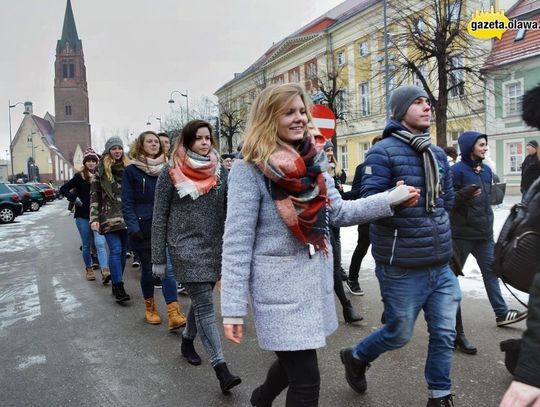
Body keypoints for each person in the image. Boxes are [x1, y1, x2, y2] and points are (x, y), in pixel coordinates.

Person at [220, 83, 418, 406]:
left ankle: (260, 399)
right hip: (278, 292)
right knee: (307, 381)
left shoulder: (315, 162)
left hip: (312, 287)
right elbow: (237, 244)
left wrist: (390, 201)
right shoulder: (249, 170)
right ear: (269, 117)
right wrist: (232, 308)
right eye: (289, 112)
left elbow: (338, 211)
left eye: (302, 111)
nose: (299, 118)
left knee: (291, 367)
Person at [340, 85, 459, 407]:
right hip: (401, 265)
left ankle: (439, 395)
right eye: (417, 102)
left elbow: (445, 200)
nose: (426, 106)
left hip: (440, 263)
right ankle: (356, 357)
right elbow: (367, 203)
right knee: (399, 333)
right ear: (400, 110)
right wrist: (395, 202)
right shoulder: (382, 152)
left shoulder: (435, 154)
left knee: (445, 334)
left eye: (426, 101)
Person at [151, 119, 241, 394]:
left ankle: (188, 339)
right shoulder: (171, 172)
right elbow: (159, 216)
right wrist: (158, 257)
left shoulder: (219, 171)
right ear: (188, 141)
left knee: (201, 299)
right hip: (184, 246)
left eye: (208, 138)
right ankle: (221, 368)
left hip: (213, 245)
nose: (205, 142)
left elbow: (228, 208)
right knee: (204, 304)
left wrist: (232, 244)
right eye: (199, 138)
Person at [450, 132, 527, 353]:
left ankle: (501, 313)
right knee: (450, 281)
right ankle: (453, 329)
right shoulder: (456, 171)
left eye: (486, 145)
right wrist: (462, 195)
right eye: (481, 145)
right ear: (469, 147)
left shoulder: (485, 170)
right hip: (461, 236)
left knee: (492, 271)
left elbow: (488, 199)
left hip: (483, 235)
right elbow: (446, 200)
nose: (485, 148)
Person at [121, 131, 186, 329]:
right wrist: (133, 227)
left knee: (167, 270)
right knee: (149, 271)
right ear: (141, 145)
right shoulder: (131, 171)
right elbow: (127, 203)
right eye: (149, 141)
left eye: (156, 141)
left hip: (167, 225)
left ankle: (173, 313)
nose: (154, 144)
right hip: (144, 227)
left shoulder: (170, 167)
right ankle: (150, 306)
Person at [324, 139, 362, 323]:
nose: (329, 152)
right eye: (326, 150)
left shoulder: (332, 172)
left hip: (329, 226)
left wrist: (386, 201)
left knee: (334, 267)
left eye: (330, 149)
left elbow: (340, 206)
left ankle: (347, 306)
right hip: (308, 231)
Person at [90, 137, 131, 303]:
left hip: (127, 216)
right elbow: (94, 196)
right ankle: (119, 286)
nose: (117, 151)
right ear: (108, 151)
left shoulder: (129, 169)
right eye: (114, 149)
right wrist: (94, 218)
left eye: (119, 148)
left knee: (122, 252)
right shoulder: (100, 172)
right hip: (108, 217)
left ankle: (116, 282)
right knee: (115, 249)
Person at [60, 147, 110, 283]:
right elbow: (63, 189)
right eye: (88, 161)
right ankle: (89, 269)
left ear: (97, 162)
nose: (91, 163)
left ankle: (105, 270)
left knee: (100, 243)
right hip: (82, 216)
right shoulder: (79, 177)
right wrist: (74, 199)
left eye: (93, 160)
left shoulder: (102, 176)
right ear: (84, 163)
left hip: (98, 216)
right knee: (87, 245)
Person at [345, 135, 382, 296]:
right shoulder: (363, 167)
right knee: (362, 247)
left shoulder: (391, 166)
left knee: (385, 251)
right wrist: (339, 196)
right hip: (368, 213)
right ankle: (352, 279)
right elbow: (356, 191)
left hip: (387, 214)